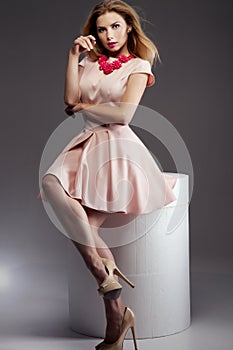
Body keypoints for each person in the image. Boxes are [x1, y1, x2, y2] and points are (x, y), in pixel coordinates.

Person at [38, 0, 177, 349]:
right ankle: (108, 285)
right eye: (101, 28)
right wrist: (72, 55)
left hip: (118, 148)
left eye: (116, 26)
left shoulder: (139, 65)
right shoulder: (88, 61)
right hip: (85, 144)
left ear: (129, 27)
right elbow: (69, 98)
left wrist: (85, 107)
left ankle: (113, 317)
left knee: (84, 228)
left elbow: (125, 114)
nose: (109, 34)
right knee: (52, 186)